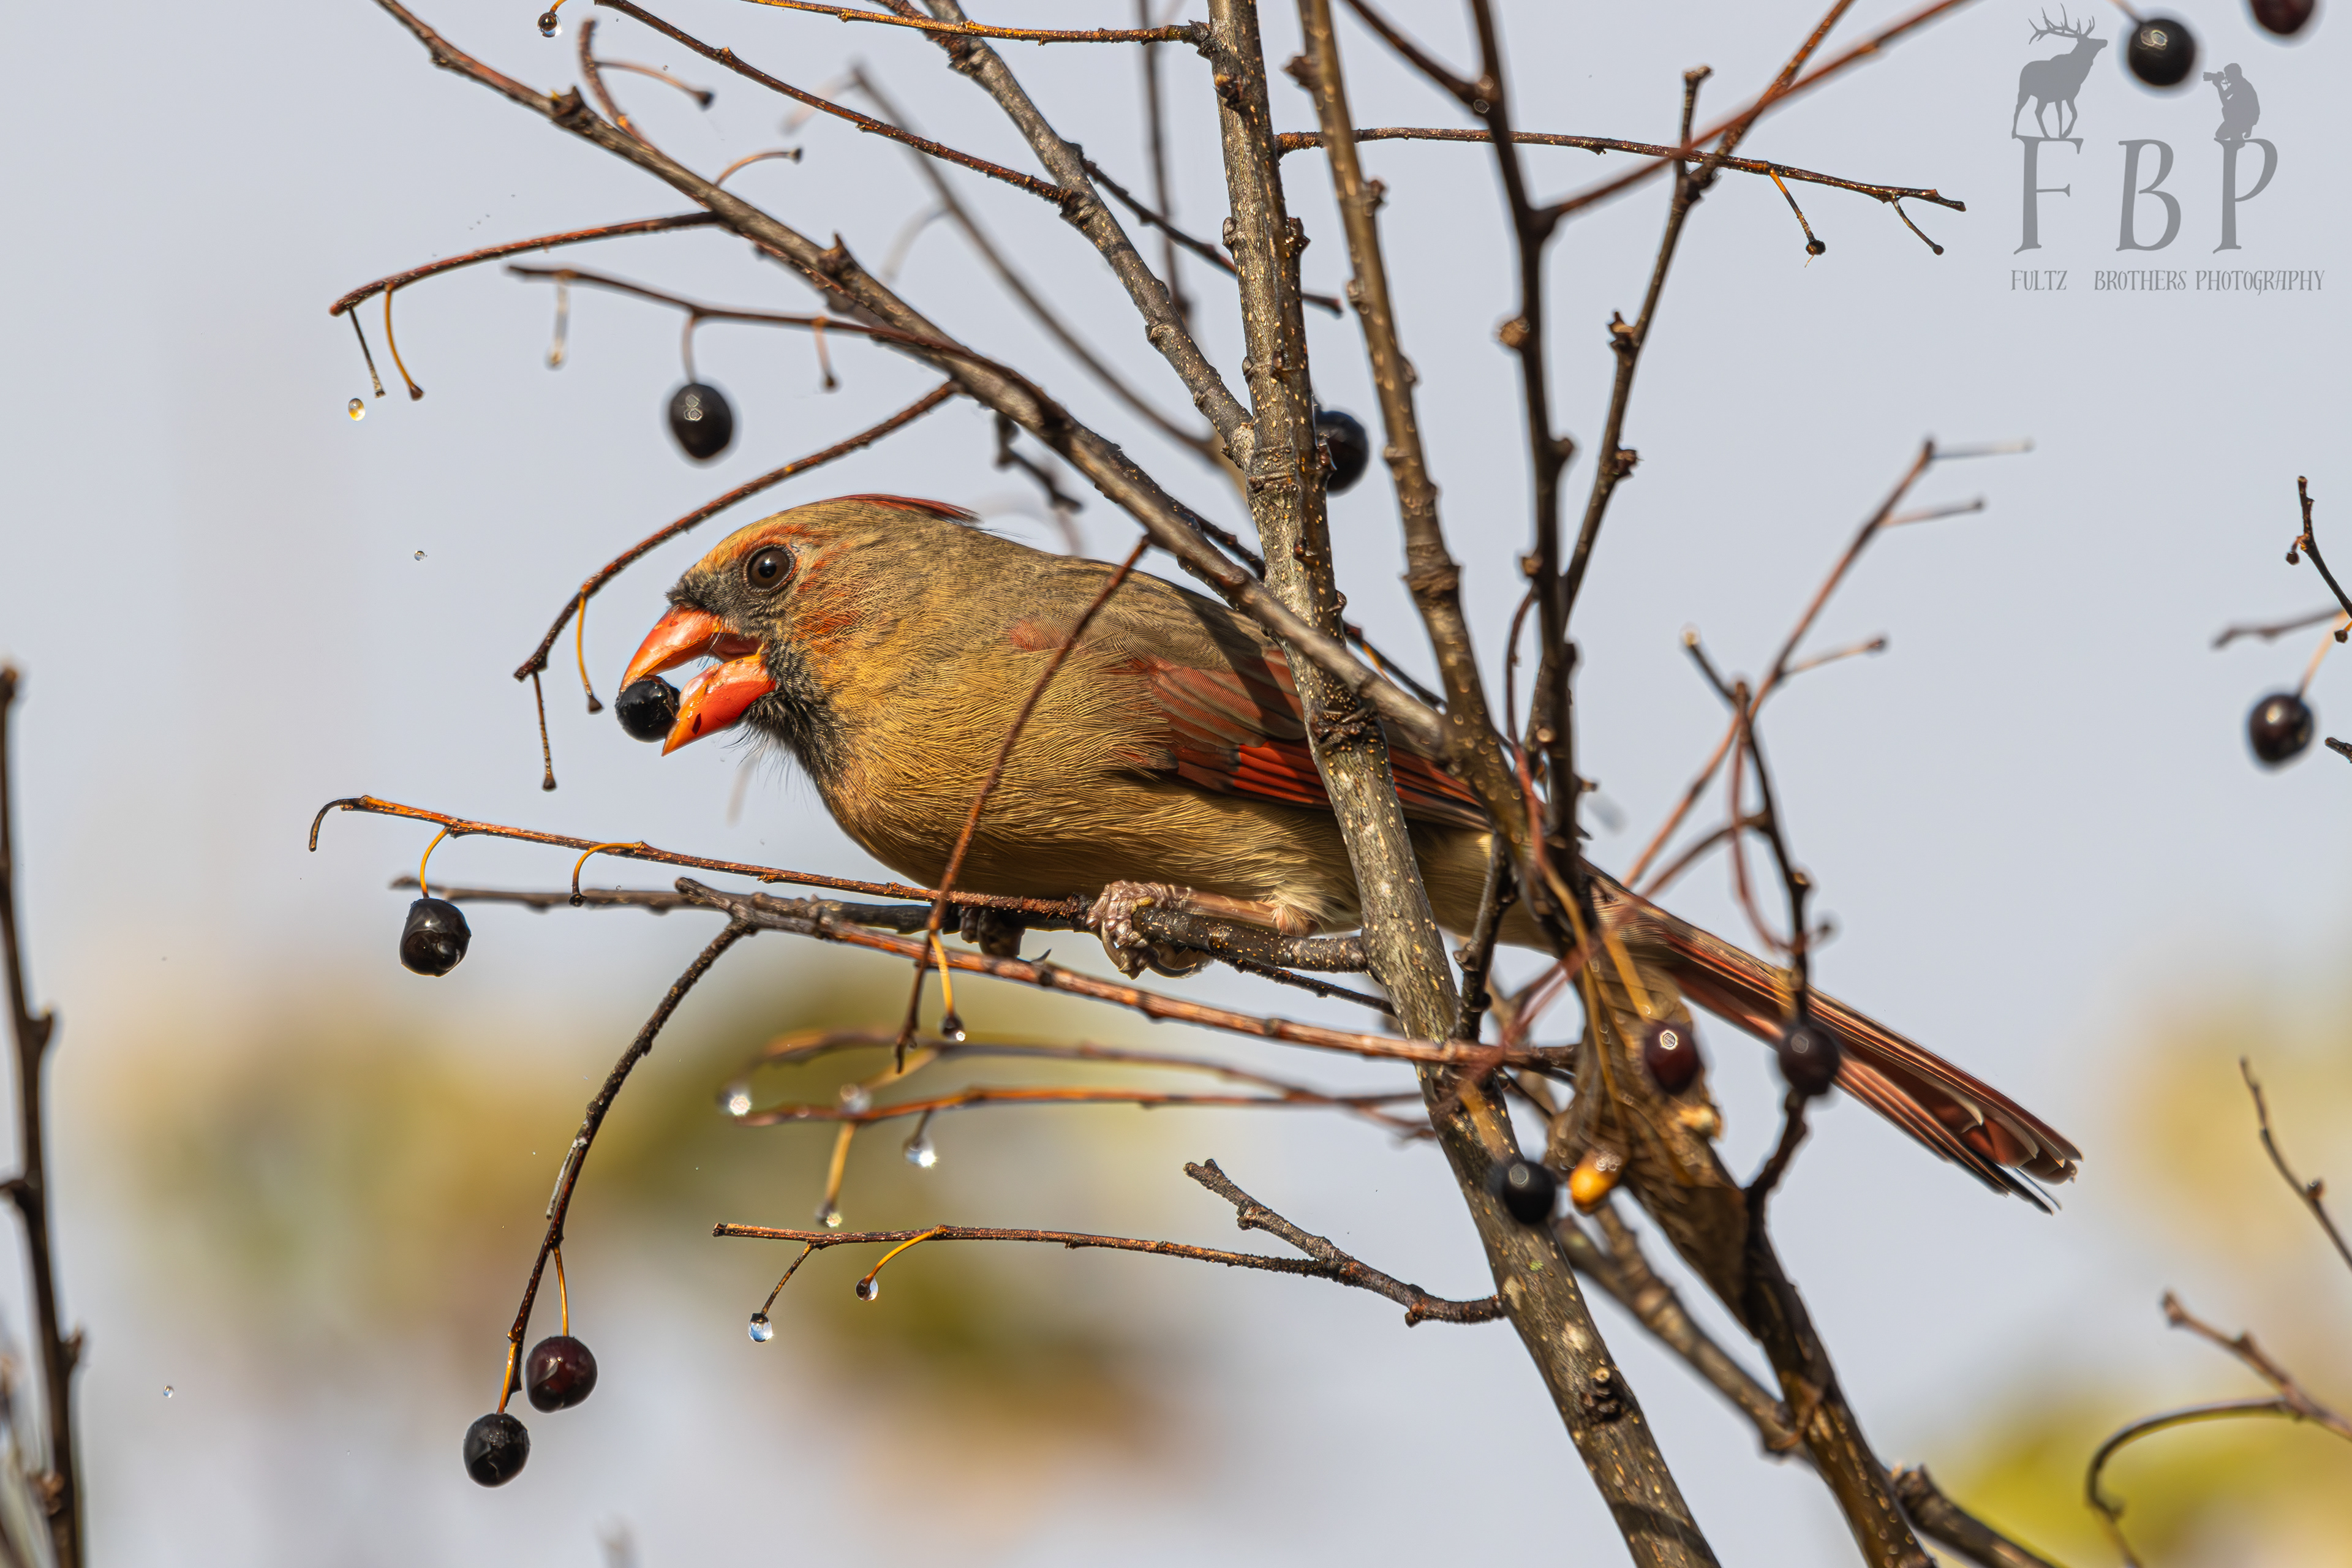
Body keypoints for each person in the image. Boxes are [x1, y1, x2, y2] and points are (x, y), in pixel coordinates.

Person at [2207, 63, 2261, 143]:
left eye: (2228, 74)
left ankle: (2238, 138)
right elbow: (2225, 96)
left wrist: (2219, 86)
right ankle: (2238, 135)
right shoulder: (2239, 83)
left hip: (2247, 117)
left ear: (2234, 74)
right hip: (2243, 116)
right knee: (2220, 134)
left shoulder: (2243, 86)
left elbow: (2226, 104)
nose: (2227, 77)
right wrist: (2218, 85)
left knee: (2226, 110)